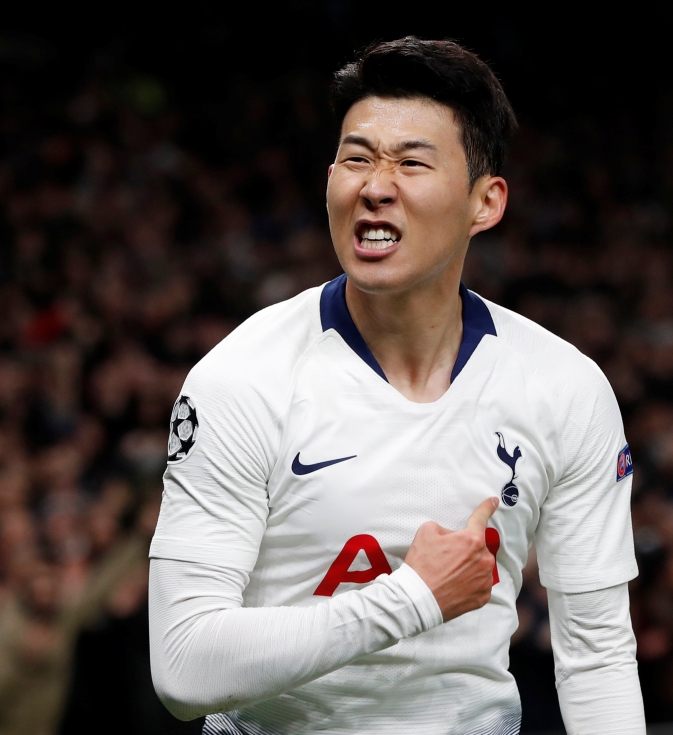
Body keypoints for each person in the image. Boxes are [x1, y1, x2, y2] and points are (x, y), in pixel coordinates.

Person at [147, 37, 644, 734]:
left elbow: (596, 655)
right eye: (356, 158)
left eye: (411, 162)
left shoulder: (565, 386)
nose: (374, 185)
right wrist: (413, 596)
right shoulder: (240, 378)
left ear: (485, 201)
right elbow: (183, 665)